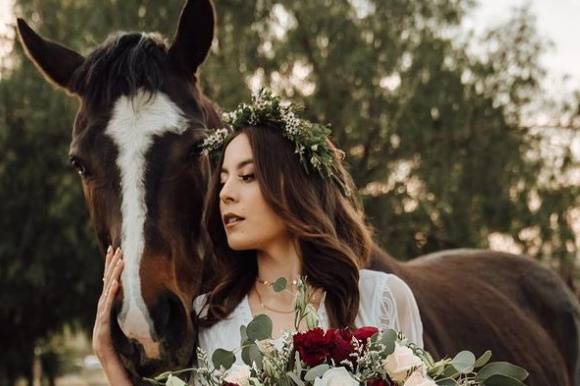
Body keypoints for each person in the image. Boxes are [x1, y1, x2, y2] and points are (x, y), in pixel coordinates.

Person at [195, 89, 423, 364]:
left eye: (247, 176)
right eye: (222, 181)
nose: (224, 194)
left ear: (295, 187)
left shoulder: (382, 300)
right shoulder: (211, 317)